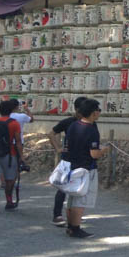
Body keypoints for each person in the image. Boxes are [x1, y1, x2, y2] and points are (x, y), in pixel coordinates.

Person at [64, 98, 108, 238]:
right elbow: (94, 153)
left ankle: (70, 226)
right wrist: (104, 150)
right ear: (94, 112)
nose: (99, 113)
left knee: (72, 197)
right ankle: (76, 228)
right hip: (86, 168)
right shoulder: (91, 130)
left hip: (72, 165)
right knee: (81, 199)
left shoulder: (73, 126)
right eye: (98, 110)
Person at [48, 96, 86, 227]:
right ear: (76, 109)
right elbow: (51, 133)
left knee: (79, 188)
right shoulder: (68, 122)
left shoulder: (91, 122)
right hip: (68, 159)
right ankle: (57, 215)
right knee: (63, 188)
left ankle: (74, 214)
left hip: (83, 159)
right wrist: (58, 148)